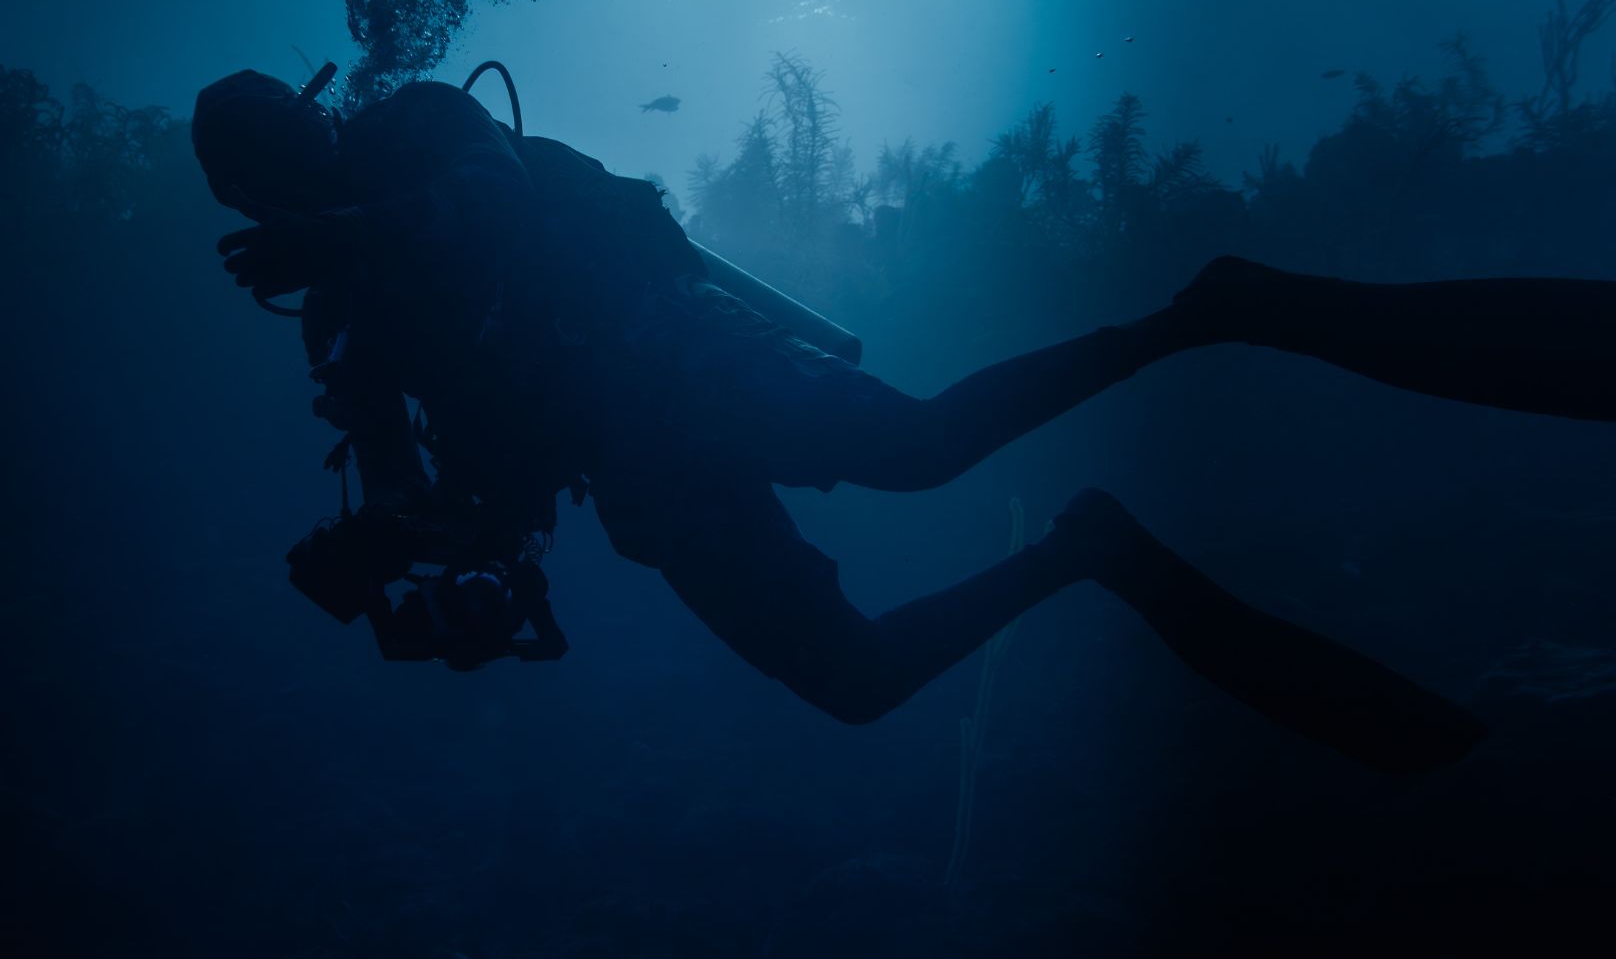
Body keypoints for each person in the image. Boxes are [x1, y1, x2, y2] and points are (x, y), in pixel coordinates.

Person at [191, 66, 1616, 773]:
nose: (289, 201)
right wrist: (387, 553)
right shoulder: (345, 322)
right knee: (857, 680)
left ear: (319, 134)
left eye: (289, 164)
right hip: (634, 478)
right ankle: (1085, 550)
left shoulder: (417, 133)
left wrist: (359, 228)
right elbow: (441, 493)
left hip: (673, 355)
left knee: (922, 446)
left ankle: (1203, 309)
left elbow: (496, 195)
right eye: (262, 196)